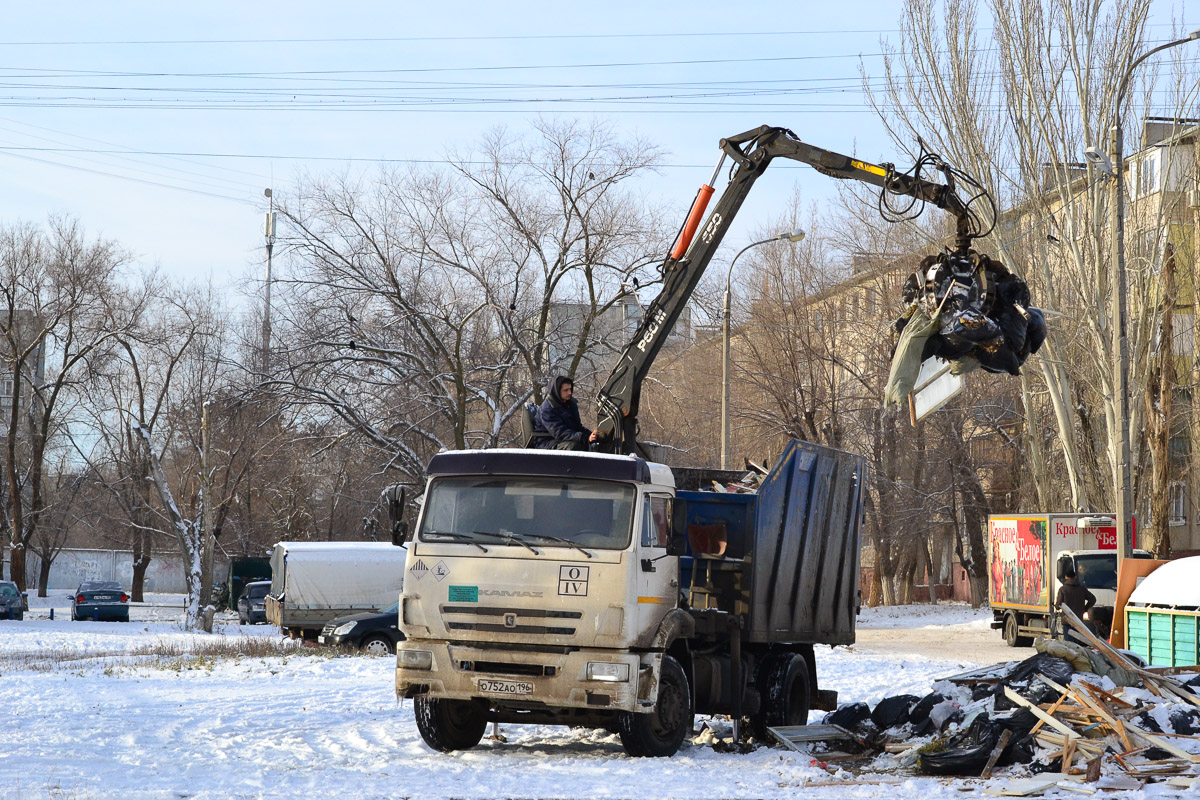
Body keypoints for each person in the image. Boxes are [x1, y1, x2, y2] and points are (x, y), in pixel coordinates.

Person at [534, 376, 600, 451]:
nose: (570, 393)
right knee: (575, 446)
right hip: (547, 443)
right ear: (557, 391)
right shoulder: (547, 409)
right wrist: (584, 438)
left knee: (599, 444)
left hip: (564, 440)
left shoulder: (571, 405)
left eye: (570, 389)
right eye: (566, 390)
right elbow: (560, 433)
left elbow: (578, 427)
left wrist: (592, 435)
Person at [1056, 566, 1096, 641]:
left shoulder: (1063, 589)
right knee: (1076, 640)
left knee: (1068, 641)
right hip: (1078, 619)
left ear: (1066, 577)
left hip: (1067, 619)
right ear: (1075, 577)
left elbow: (1058, 605)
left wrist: (1057, 606)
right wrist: (1085, 609)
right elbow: (1093, 599)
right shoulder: (1082, 588)